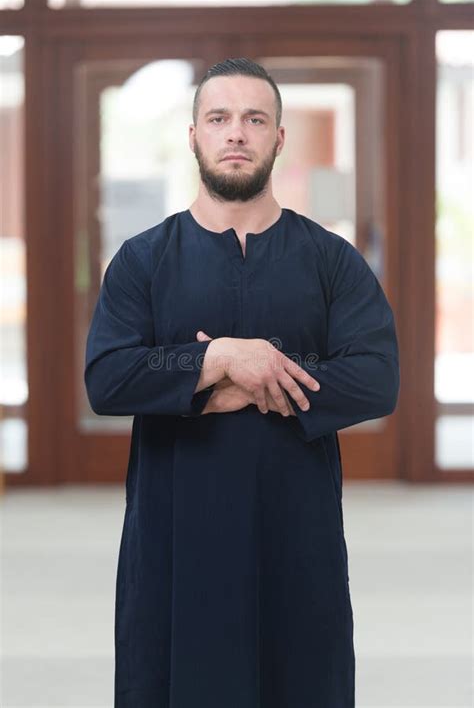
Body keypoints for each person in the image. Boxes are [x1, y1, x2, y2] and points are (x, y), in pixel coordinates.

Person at [84, 57, 399, 708]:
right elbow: (109, 375)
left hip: (298, 530)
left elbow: (375, 376)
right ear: (194, 134)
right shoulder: (143, 259)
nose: (236, 133)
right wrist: (218, 359)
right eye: (219, 118)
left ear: (279, 138)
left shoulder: (328, 259)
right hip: (177, 534)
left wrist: (251, 376)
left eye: (255, 119)